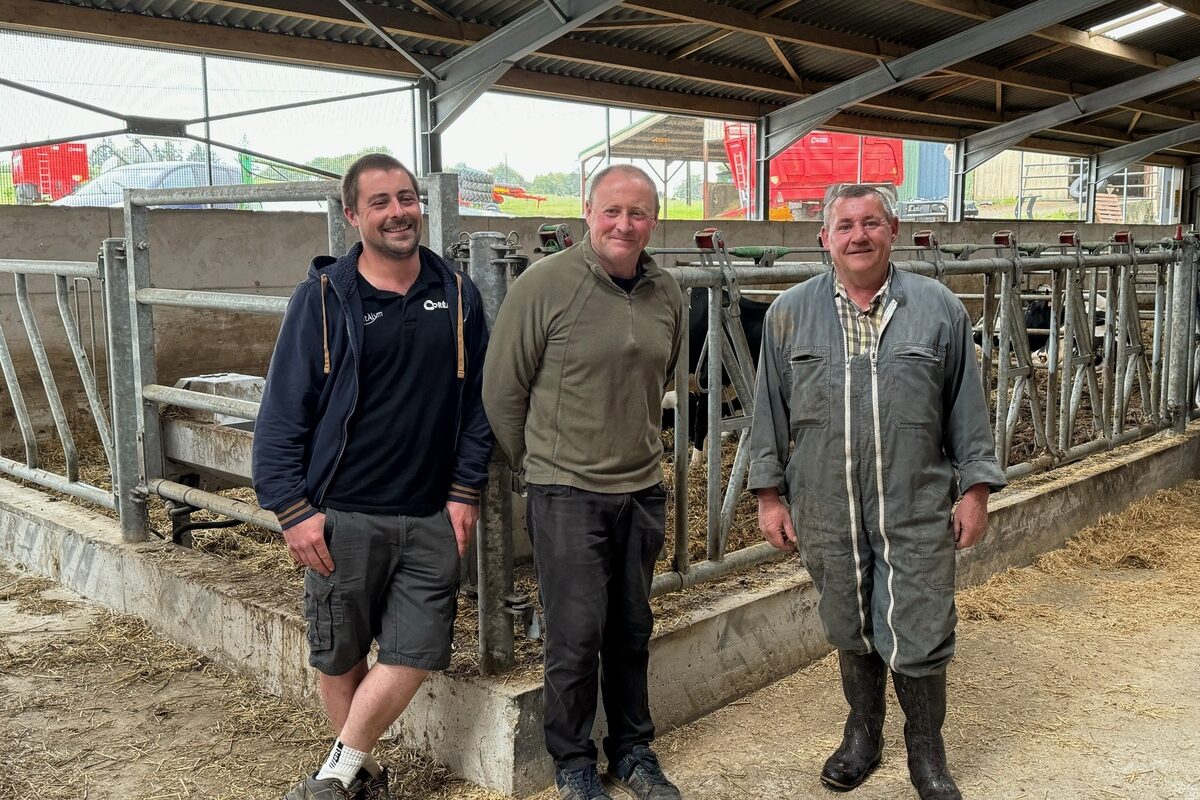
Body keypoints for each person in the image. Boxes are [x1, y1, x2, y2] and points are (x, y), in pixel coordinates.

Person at [749, 184, 1006, 800]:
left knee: (918, 623)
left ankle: (927, 749)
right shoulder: (788, 314)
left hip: (915, 501)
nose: (857, 236)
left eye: (870, 223)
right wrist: (769, 496)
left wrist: (976, 488)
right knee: (849, 617)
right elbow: (768, 415)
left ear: (893, 230)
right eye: (844, 225)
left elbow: (966, 409)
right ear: (824, 239)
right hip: (826, 502)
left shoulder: (939, 307)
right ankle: (863, 733)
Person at [252, 153, 492, 800]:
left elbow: (479, 410)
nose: (398, 212)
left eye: (407, 198)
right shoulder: (324, 301)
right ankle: (364, 777)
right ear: (353, 215)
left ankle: (333, 775)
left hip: (429, 514)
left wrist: (466, 490)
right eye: (380, 202)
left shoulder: (460, 296)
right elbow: (281, 414)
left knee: (415, 653)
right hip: (342, 514)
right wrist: (294, 510)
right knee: (340, 654)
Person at [482, 164, 684, 800]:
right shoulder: (545, 286)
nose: (625, 224)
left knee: (631, 627)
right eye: (612, 211)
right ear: (588, 215)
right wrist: (542, 464)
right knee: (574, 635)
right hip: (567, 493)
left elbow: (664, 373)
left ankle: (632, 750)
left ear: (653, 220)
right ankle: (572, 761)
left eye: (639, 213)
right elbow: (502, 390)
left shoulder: (667, 292)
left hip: (643, 489)